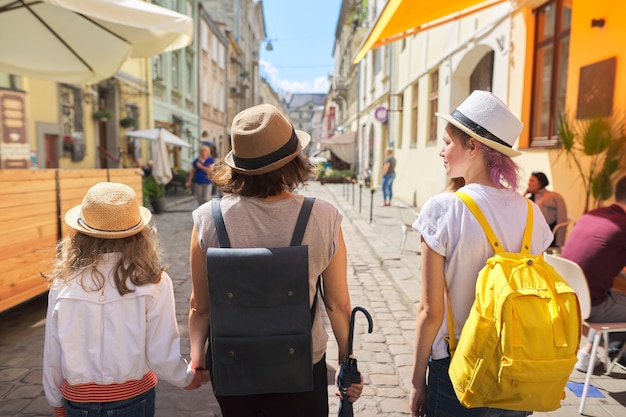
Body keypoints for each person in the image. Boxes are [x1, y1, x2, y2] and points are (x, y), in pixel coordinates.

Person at [187, 103, 363, 417]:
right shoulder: (323, 217)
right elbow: (338, 305)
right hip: (302, 363)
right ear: (294, 160)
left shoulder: (207, 219)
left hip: (233, 362)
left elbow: (200, 306)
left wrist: (197, 357)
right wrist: (347, 362)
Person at [409, 90, 553, 417]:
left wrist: (418, 381)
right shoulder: (531, 212)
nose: (441, 151)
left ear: (473, 147)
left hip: (458, 367)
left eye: (447, 142)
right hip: (517, 365)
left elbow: (430, 311)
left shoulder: (444, 208)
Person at [42, 182, 207, 417]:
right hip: (133, 398)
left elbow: (53, 352)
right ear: (139, 234)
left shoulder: (63, 282)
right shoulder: (154, 281)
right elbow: (161, 354)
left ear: (81, 233)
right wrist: (189, 378)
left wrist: (55, 401)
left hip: (77, 402)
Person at [560, 175, 626, 372]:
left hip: (567, 297)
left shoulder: (593, 215)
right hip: (591, 305)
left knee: (609, 291)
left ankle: (587, 353)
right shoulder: (623, 225)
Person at [525, 171, 569, 247]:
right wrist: (525, 193)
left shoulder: (554, 196)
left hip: (547, 234)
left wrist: (559, 242)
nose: (528, 183)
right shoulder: (529, 199)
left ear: (540, 183)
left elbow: (562, 219)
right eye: (529, 180)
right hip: (531, 234)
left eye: (532, 181)